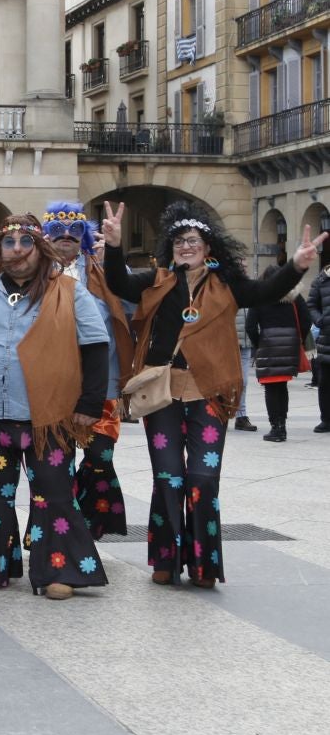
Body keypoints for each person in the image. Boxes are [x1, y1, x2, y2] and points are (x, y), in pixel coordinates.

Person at [101, 200, 326, 587]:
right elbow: (118, 284)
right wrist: (116, 246)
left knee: (203, 480)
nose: (185, 247)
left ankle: (205, 562)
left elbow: (264, 290)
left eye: (193, 241)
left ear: (208, 247)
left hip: (210, 394)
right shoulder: (156, 281)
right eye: (178, 242)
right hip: (163, 397)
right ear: (169, 249)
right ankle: (165, 559)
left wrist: (296, 267)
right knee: (169, 477)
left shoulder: (227, 285)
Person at [0, 214, 110, 600]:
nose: (17, 249)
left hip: (48, 418)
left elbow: (96, 345)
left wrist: (90, 402)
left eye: (25, 242)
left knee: (53, 493)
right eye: (9, 242)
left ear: (40, 248)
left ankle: (59, 570)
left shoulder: (68, 291)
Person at [42, 201, 134, 539]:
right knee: (56, 465)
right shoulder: (35, 275)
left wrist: (116, 258)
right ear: (45, 236)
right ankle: (65, 531)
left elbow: (136, 305)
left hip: (103, 388)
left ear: (85, 235)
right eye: (57, 230)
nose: (66, 236)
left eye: (74, 230)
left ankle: (89, 522)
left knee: (99, 458)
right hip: (52, 389)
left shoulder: (103, 271)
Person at [247, 265, 313, 443]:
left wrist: (258, 343)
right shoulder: (294, 297)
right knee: (282, 387)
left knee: (271, 388)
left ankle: (275, 428)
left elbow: (250, 326)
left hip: (268, 344)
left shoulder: (259, 297)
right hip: (290, 344)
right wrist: (297, 339)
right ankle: (282, 426)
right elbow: (307, 320)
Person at [305, 263, 330, 433]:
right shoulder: (321, 280)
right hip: (327, 338)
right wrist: (320, 321)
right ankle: (326, 420)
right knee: (325, 383)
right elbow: (311, 305)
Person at [232, 308, 258, 432]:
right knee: (223, 381)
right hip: (227, 342)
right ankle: (219, 414)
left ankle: (241, 416)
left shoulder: (250, 289)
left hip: (246, 341)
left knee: (243, 381)